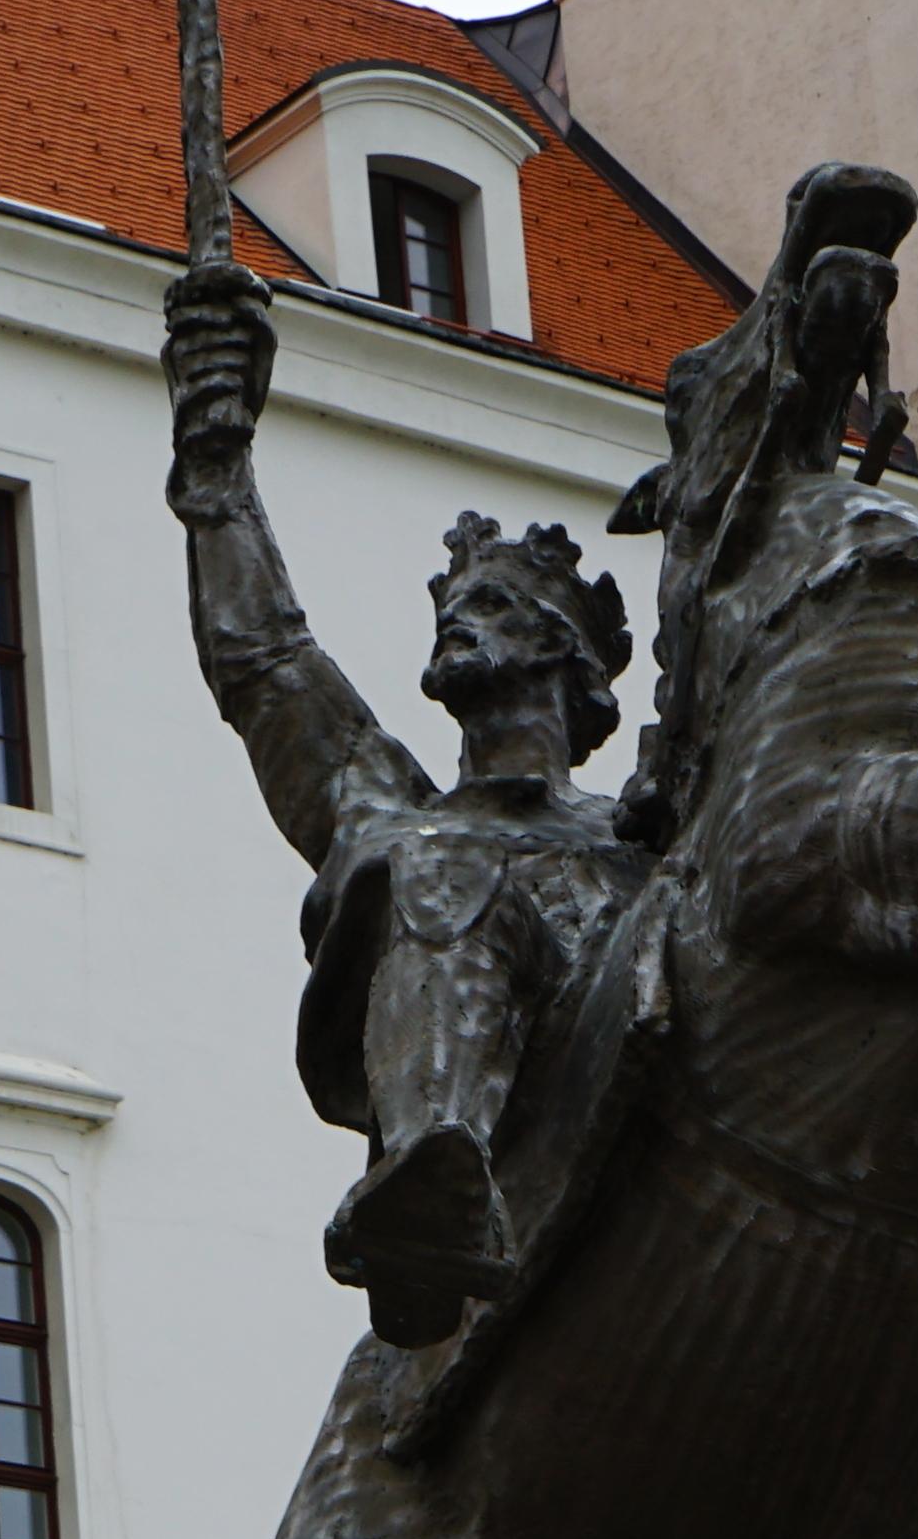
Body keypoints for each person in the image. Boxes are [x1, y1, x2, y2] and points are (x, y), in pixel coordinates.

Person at [159, 263, 644, 1344]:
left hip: (637, 1101)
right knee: (430, 852)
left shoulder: (641, 835)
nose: (459, 615)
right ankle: (433, 1187)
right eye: (453, 603)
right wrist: (216, 463)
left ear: (566, 657)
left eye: (496, 605)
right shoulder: (394, 806)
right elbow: (266, 664)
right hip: (512, 1137)